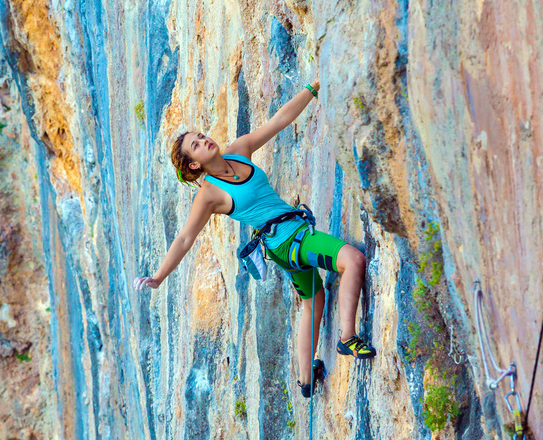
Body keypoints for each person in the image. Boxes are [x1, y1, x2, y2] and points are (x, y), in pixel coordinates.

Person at [133, 79, 375, 398]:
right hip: (291, 241)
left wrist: (313, 88)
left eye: (200, 136)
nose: (204, 140)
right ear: (194, 164)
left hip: (284, 242)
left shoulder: (239, 150)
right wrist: (159, 277)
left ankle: (305, 379)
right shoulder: (209, 194)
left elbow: (280, 120)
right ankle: (347, 337)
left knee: (313, 302)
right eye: (196, 145)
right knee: (352, 260)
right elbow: (184, 239)